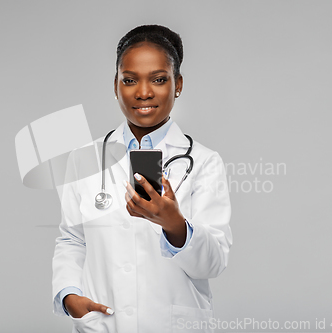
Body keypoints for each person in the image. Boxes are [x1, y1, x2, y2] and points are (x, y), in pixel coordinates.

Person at [52, 24, 232, 333]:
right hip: (103, 323)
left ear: (178, 84)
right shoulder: (84, 159)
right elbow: (72, 239)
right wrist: (69, 295)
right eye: (130, 80)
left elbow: (212, 264)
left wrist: (175, 224)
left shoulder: (204, 162)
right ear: (116, 85)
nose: (143, 92)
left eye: (159, 80)